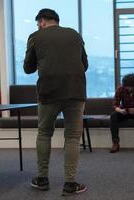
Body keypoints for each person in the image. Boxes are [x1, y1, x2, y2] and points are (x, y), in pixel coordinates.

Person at [23, 8, 88, 196]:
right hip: (75, 91)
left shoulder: (36, 36)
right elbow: (85, 65)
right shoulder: (75, 35)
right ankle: (70, 183)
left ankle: (42, 179)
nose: (38, 26)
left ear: (42, 21)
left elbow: (28, 68)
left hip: (49, 90)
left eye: (38, 23)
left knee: (44, 133)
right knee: (73, 136)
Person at [110, 73, 134, 153]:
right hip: (124, 111)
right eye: (127, 86)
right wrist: (121, 111)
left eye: (131, 86)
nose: (129, 88)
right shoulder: (120, 89)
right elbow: (115, 105)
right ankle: (115, 143)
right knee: (113, 115)